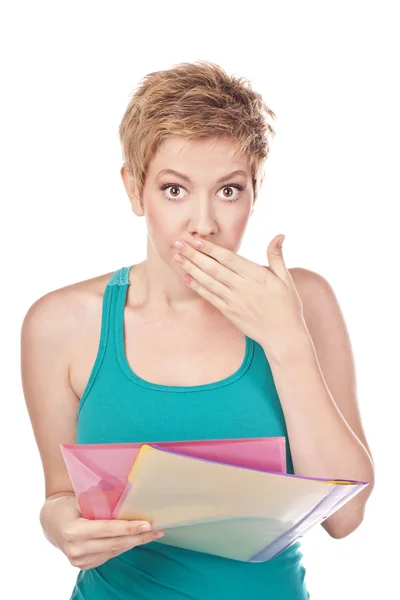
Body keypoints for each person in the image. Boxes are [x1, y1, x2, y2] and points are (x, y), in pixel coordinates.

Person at [21, 60, 375, 600]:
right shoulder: (62, 324)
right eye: (174, 189)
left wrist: (285, 342)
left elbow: (345, 517)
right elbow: (58, 497)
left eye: (229, 191)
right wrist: (64, 529)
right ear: (135, 190)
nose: (204, 223)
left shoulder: (303, 302)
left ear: (255, 191)